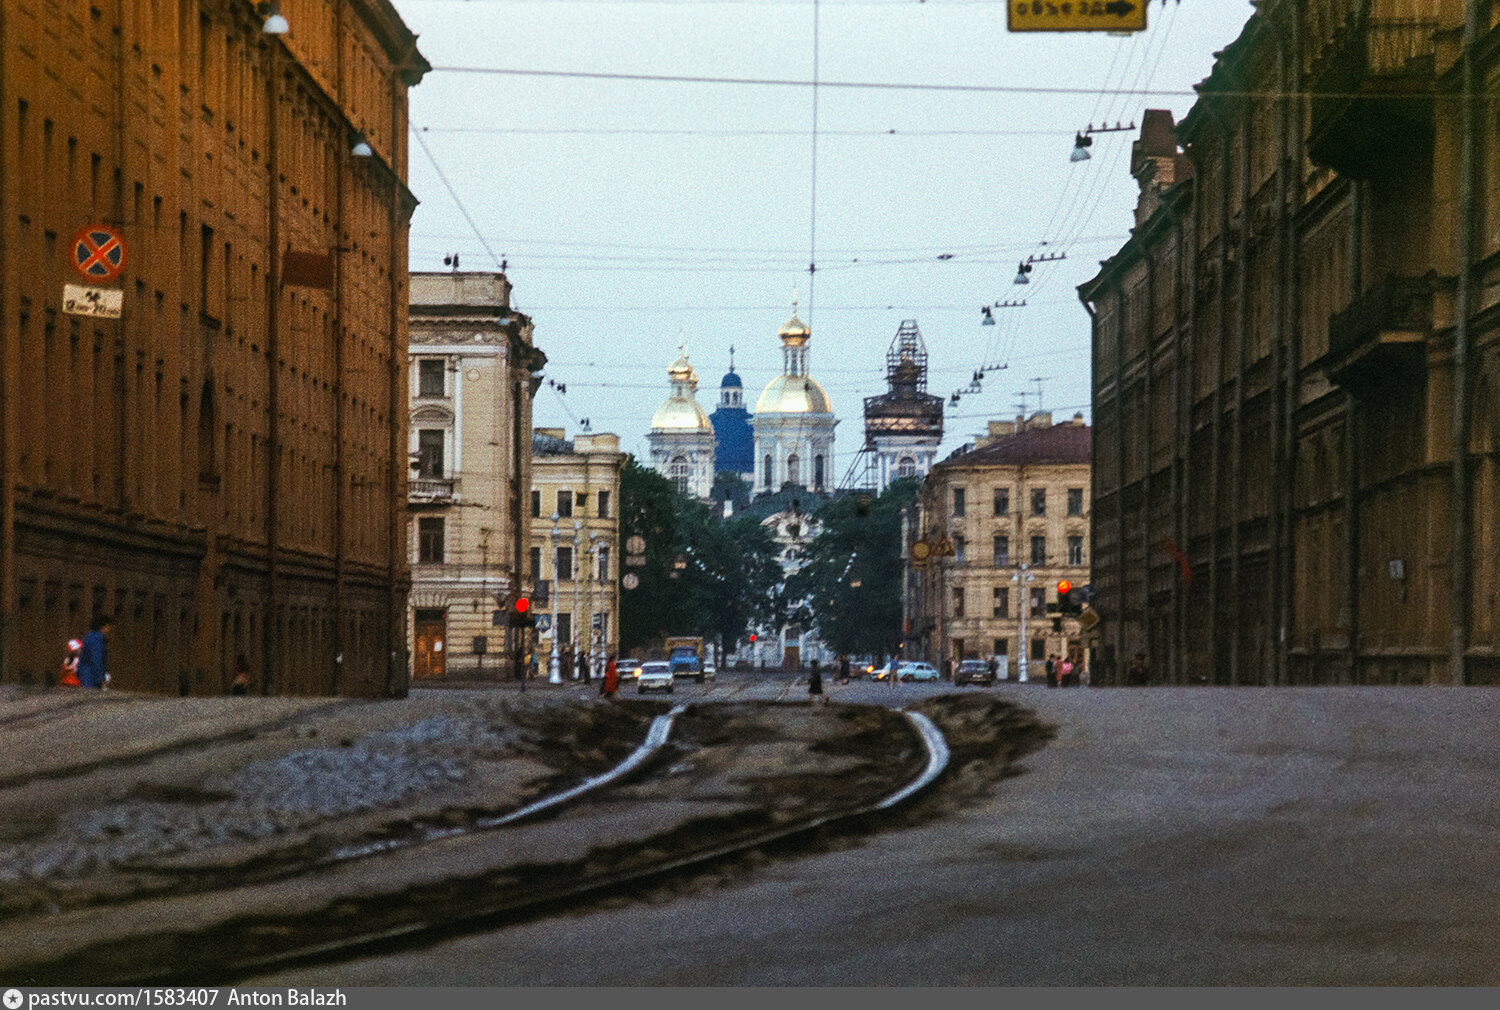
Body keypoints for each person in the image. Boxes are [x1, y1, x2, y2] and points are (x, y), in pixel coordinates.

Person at [78, 614, 112, 690]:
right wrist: (101, 679)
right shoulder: (97, 639)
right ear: (104, 626)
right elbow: (96, 660)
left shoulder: (88, 637)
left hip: (85, 675)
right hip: (92, 677)